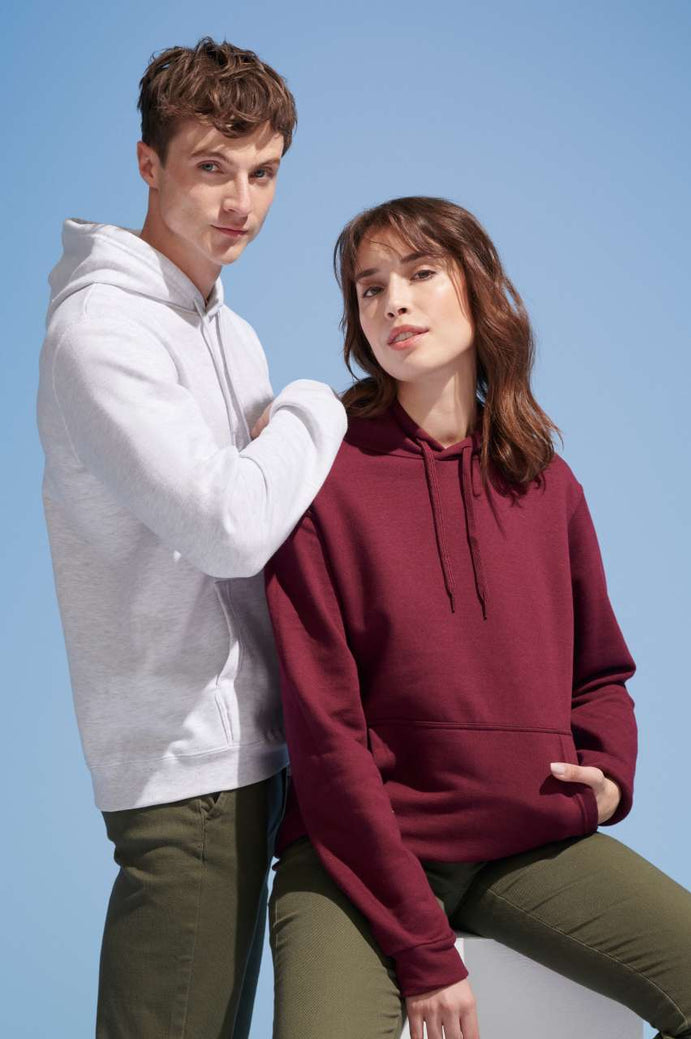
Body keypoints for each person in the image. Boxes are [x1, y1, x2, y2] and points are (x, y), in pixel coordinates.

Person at [263, 196, 691, 1039]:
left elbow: (601, 671)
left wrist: (609, 773)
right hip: (355, 858)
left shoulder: (546, 483)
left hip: (524, 842)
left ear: (479, 287)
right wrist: (425, 953)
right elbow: (324, 734)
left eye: (420, 273)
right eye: (369, 287)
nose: (393, 302)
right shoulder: (319, 476)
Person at [36, 37, 346, 1038]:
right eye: (212, 167)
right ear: (148, 163)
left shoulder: (227, 330)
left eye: (263, 173)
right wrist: (318, 406)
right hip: (184, 771)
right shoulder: (102, 333)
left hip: (254, 758)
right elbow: (230, 526)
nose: (240, 203)